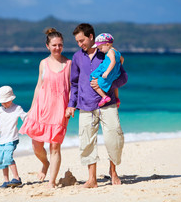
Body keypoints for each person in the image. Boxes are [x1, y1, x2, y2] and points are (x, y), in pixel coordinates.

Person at [65, 23, 128, 188]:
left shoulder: (107, 53)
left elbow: (123, 77)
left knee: (114, 138)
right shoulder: (77, 57)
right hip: (85, 105)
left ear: (91, 36)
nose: (80, 44)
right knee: (86, 142)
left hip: (108, 104)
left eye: (82, 40)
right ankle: (92, 179)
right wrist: (71, 104)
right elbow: (74, 83)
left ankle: (113, 171)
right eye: (77, 41)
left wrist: (106, 86)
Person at [19, 28, 71, 188]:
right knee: (36, 145)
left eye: (60, 45)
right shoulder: (43, 63)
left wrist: (71, 106)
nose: (57, 48)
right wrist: (32, 107)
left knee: (55, 146)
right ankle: (45, 163)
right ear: (47, 46)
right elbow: (38, 86)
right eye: (54, 45)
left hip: (59, 110)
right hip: (41, 108)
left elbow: (73, 88)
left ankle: (52, 181)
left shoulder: (69, 64)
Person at [0, 85, 27, 188]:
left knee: (8, 158)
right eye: (2, 102)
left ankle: (16, 178)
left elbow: (25, 117)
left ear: (12, 98)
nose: (4, 103)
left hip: (12, 138)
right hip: (1, 140)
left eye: (6, 101)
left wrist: (27, 126)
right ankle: (6, 180)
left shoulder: (17, 108)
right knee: (0, 161)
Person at [90, 33, 124, 108]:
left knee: (92, 79)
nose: (100, 50)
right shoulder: (116, 51)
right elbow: (122, 59)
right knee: (114, 86)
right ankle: (117, 98)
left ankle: (104, 97)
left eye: (101, 48)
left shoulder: (110, 52)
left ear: (108, 44)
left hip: (108, 71)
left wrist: (107, 72)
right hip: (115, 73)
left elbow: (113, 61)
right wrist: (117, 68)